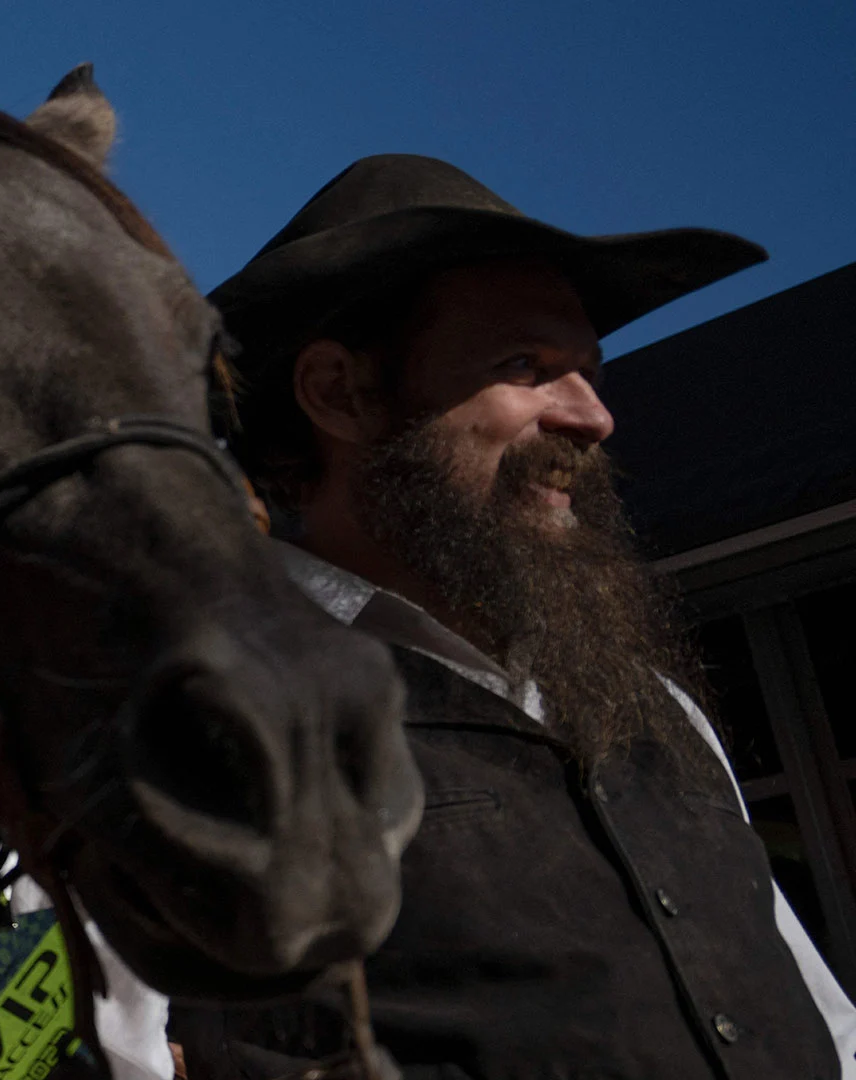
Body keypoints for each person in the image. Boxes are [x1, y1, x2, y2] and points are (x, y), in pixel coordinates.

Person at [176, 155, 856, 1078]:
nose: (593, 416)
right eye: (526, 366)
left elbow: (812, 1018)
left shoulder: (656, 706)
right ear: (338, 393)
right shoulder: (195, 722)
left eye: (590, 372)